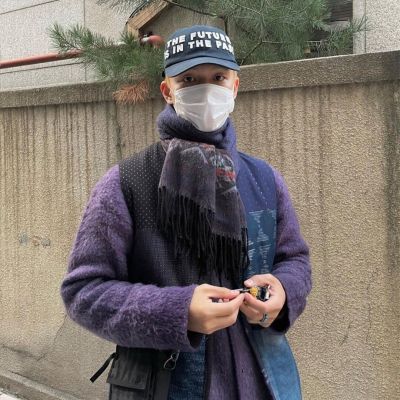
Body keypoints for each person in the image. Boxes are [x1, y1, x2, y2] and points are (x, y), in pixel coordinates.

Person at [61, 24, 312, 400]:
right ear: (168, 91)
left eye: (218, 78)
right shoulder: (127, 182)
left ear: (235, 86)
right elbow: (83, 292)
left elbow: (295, 259)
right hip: (167, 385)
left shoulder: (262, 178)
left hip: (265, 381)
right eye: (190, 79)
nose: (206, 90)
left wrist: (284, 291)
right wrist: (177, 311)